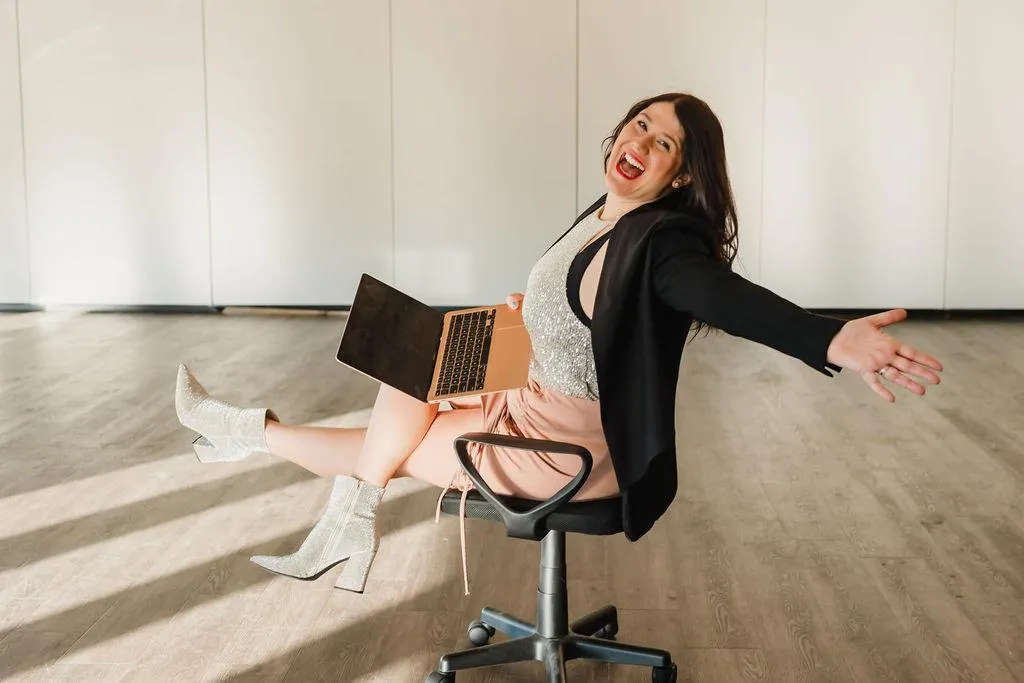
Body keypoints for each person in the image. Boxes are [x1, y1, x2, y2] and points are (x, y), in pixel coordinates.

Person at [174, 92, 944, 596]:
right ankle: (263, 448)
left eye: (667, 144)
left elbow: (725, 298)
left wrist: (832, 337)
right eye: (642, 123)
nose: (643, 141)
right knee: (412, 359)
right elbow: (577, 300)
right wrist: (528, 309)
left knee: (395, 436)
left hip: (566, 445)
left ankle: (277, 460)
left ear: (679, 179)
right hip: (527, 388)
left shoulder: (666, 243)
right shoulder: (604, 213)